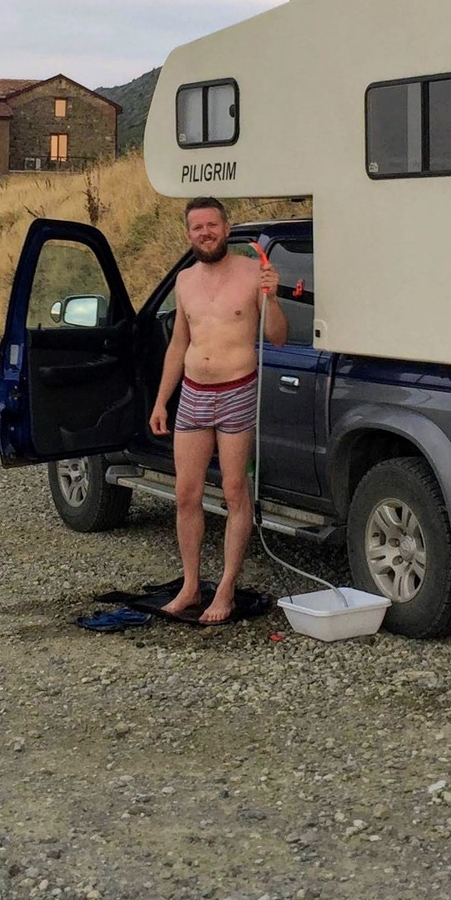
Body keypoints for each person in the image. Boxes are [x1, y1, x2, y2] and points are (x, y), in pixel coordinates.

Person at [148, 197, 287, 623]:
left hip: (237, 390)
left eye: (212, 225)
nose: (205, 233)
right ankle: (191, 585)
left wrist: (273, 298)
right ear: (189, 234)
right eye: (197, 227)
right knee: (186, 494)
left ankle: (225, 588)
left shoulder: (251, 273)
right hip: (192, 392)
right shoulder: (185, 280)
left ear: (226, 229)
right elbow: (178, 344)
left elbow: (278, 338)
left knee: (232, 491)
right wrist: (160, 401)